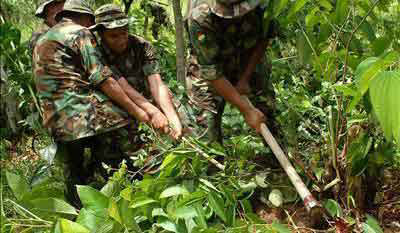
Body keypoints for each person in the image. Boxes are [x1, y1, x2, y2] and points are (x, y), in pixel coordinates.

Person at [32, 0, 168, 206]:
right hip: (85, 113)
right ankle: (147, 191)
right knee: (130, 144)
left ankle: (79, 214)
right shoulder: (80, 32)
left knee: (76, 176)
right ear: (86, 18)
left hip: (56, 121)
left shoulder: (42, 40)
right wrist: (137, 112)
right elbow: (102, 78)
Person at [186, 0, 279, 143]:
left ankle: (277, 159)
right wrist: (246, 110)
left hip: (247, 57)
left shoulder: (263, 5)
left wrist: (245, 79)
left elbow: (264, 38)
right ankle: (212, 162)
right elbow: (212, 73)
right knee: (206, 127)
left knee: (265, 111)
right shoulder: (200, 18)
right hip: (209, 65)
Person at [90, 4, 183, 139]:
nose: (121, 40)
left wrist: (173, 118)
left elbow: (157, 84)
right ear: (101, 34)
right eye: (113, 36)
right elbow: (123, 87)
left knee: (180, 117)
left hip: (145, 94)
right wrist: (154, 113)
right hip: (120, 100)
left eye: (124, 33)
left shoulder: (142, 46)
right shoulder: (97, 53)